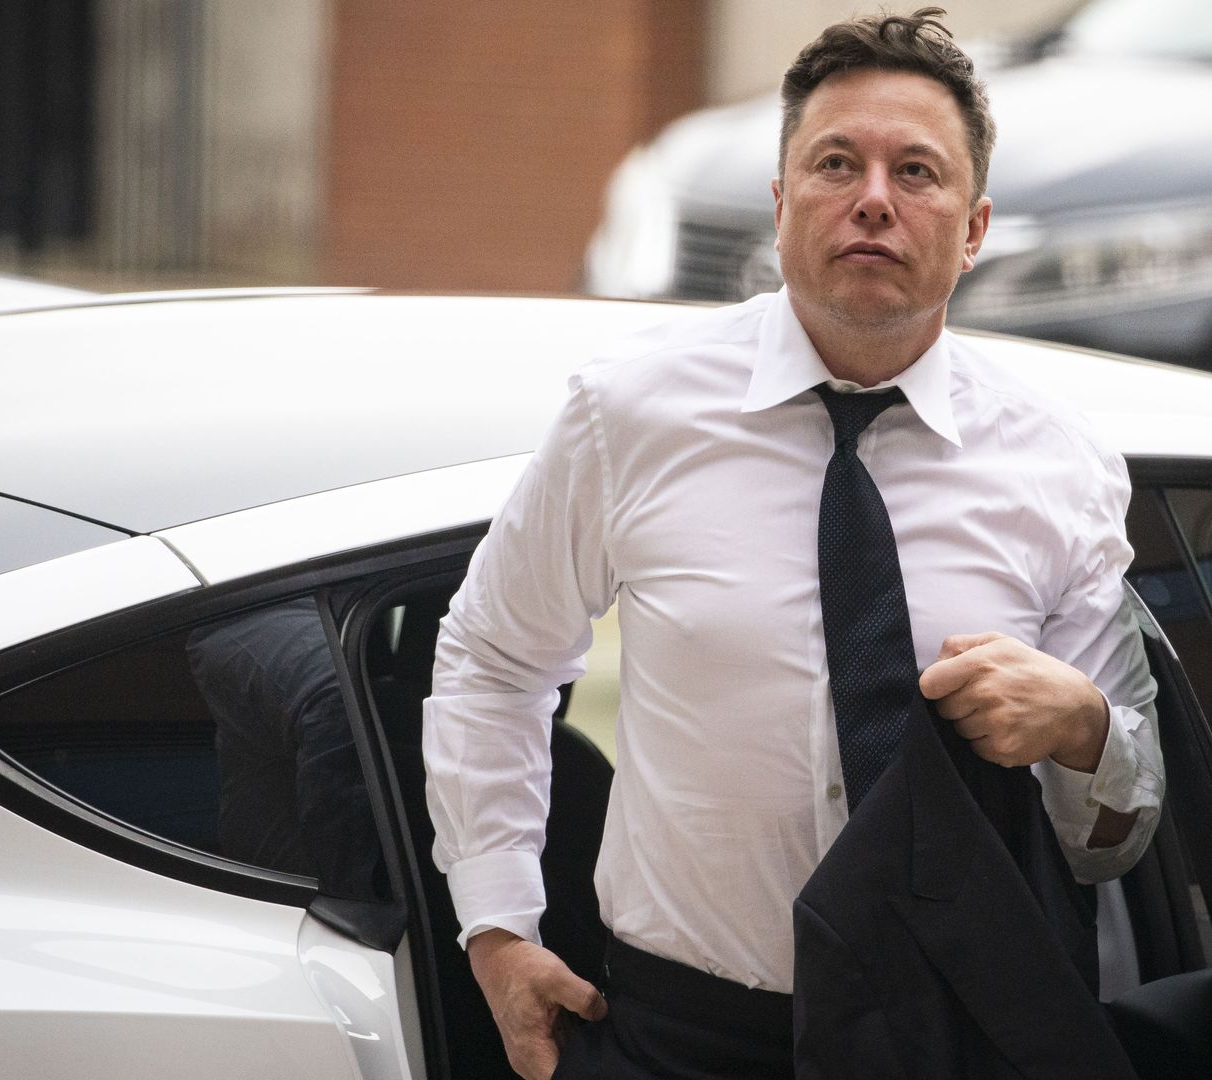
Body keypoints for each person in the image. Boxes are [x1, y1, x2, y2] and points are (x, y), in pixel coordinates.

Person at [424, 10, 1163, 1078]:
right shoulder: (630, 412)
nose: (874, 197)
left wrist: (1085, 728)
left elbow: (1117, 831)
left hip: (952, 1036)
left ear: (975, 226)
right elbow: (493, 659)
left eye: (917, 170)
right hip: (679, 1034)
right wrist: (496, 930)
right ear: (780, 205)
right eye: (835, 162)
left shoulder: (1061, 465)